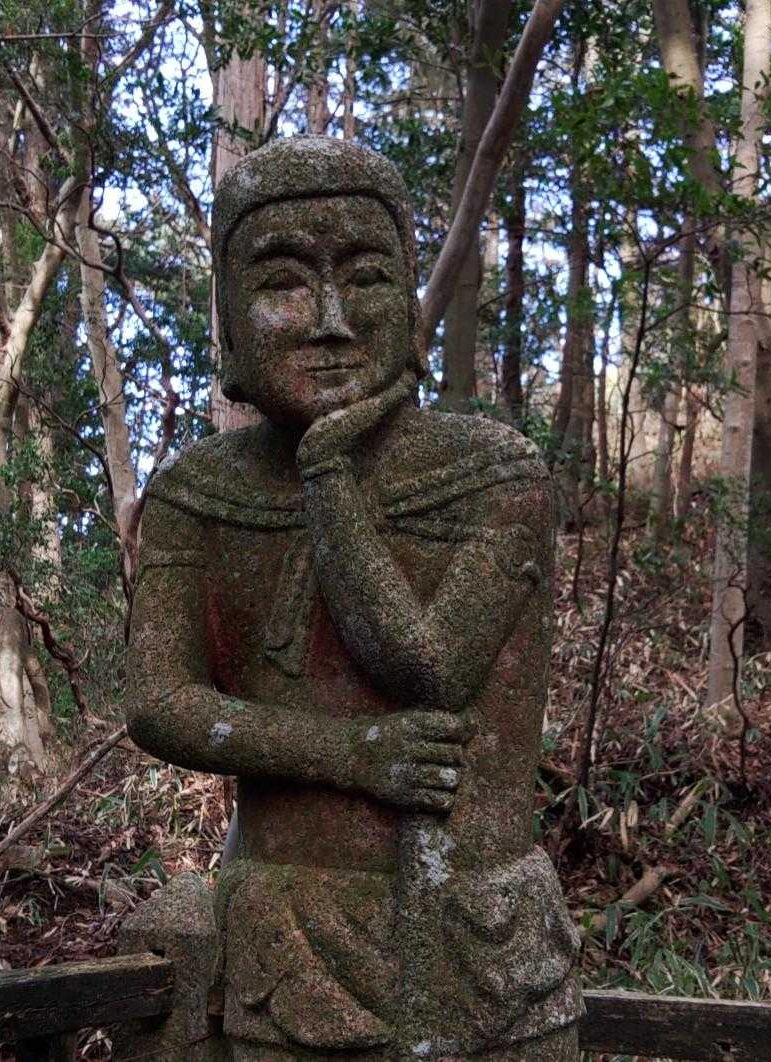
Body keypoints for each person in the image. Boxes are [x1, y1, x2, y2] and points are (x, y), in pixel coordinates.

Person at [129, 136, 580, 1059]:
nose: (330, 321)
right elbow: (159, 700)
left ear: (410, 304)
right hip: (286, 945)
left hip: (486, 941)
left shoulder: (495, 473)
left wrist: (327, 473)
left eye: (368, 278)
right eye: (284, 284)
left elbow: (429, 667)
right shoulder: (194, 493)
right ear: (228, 319)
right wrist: (349, 754)